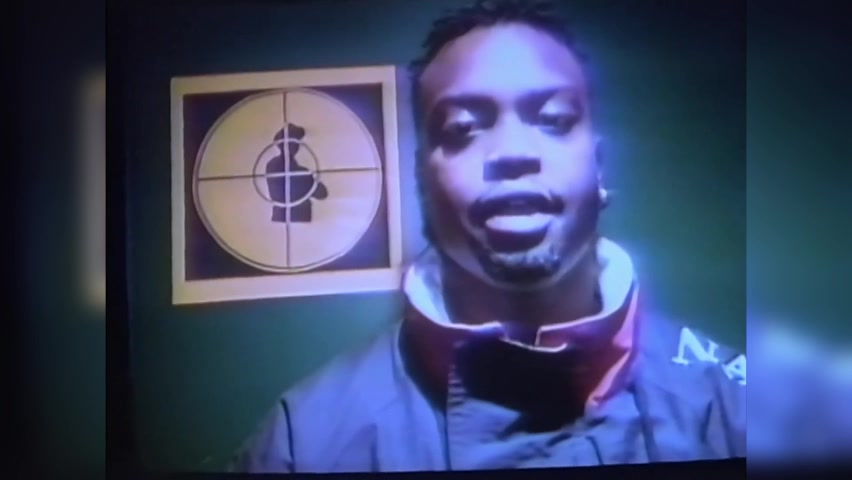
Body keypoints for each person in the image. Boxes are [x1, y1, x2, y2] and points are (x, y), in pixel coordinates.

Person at [229, 0, 745, 472]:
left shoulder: (740, 407)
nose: (512, 152)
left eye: (553, 120)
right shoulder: (304, 446)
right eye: (463, 128)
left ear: (600, 166)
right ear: (421, 182)